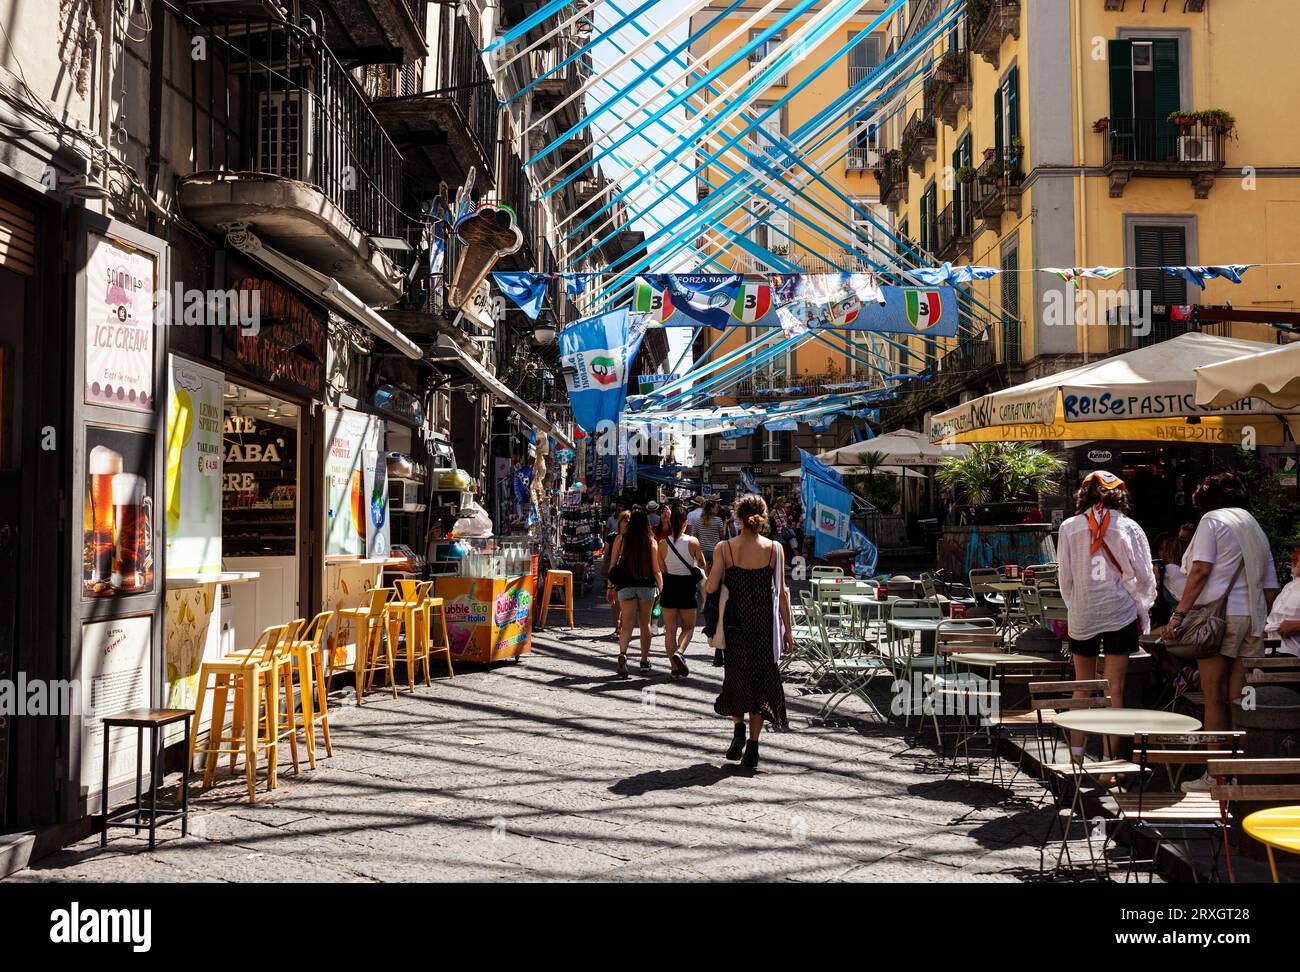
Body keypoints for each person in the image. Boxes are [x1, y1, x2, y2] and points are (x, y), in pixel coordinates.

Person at [1167, 472, 1279, 790]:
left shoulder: (1212, 520)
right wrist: (1265, 622)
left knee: (1213, 698)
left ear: (1205, 500)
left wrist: (1179, 615)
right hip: (1253, 617)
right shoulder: (1254, 526)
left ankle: (1216, 774)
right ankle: (1239, 771)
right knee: (1240, 698)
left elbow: (1201, 570)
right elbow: (1270, 585)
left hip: (1219, 619)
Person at [1057, 471, 1156, 764]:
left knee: (1082, 685)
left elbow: (1065, 577)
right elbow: (1144, 573)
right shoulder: (1128, 526)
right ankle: (1109, 758)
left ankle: (1076, 758)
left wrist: (1075, 605)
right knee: (1116, 689)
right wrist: (1144, 603)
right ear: (1119, 495)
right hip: (1119, 612)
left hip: (1084, 612)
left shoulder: (1069, 527)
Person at [703, 493, 794, 769]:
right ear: (763, 517)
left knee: (736, 680)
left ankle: (738, 730)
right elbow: (782, 593)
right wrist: (788, 631)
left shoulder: (725, 549)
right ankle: (753, 746)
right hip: (764, 627)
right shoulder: (775, 549)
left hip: (734, 627)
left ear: (738, 517)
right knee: (762, 685)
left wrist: (705, 579)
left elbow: (711, 587)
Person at [607, 509, 662, 678]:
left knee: (627, 624)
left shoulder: (621, 539)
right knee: (645, 624)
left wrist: (610, 587)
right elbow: (656, 570)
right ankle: (644, 661)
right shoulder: (651, 541)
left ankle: (623, 653)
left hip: (625, 586)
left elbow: (612, 565)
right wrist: (661, 588)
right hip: (646, 586)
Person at [658, 505, 708, 679]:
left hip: (670, 585)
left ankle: (674, 668)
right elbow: (702, 564)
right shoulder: (693, 542)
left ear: (670, 523)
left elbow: (661, 568)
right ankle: (680, 652)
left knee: (670, 630)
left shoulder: (662, 544)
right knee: (688, 627)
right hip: (687, 587)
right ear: (686, 523)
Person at [1264, 540, 1300, 657]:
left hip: (1291, 656)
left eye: (1298, 553)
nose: (1292, 557)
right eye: (1293, 552)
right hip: (1268, 652)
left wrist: (1297, 626)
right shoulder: (1289, 586)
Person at [602, 511, 630, 639]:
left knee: (624, 603)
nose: (627, 523)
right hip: (615, 573)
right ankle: (617, 626)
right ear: (620, 522)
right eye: (625, 520)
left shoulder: (634, 538)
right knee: (615, 602)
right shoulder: (613, 537)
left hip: (628, 575)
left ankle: (621, 627)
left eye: (629, 520)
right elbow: (606, 554)